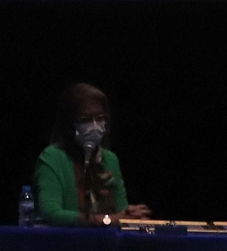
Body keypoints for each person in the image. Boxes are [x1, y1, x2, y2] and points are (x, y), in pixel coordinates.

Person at [34, 84, 151, 227]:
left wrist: (130, 215)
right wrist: (108, 220)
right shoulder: (52, 157)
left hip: (106, 246)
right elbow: (51, 212)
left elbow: (120, 212)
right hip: (64, 244)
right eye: (85, 120)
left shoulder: (110, 159)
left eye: (100, 118)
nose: (95, 125)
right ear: (69, 123)